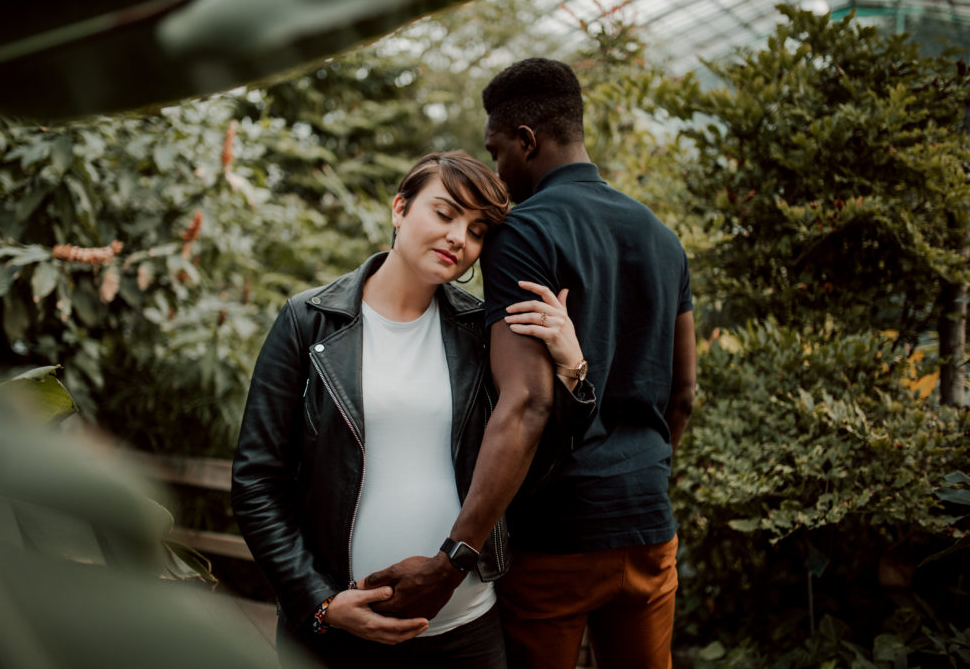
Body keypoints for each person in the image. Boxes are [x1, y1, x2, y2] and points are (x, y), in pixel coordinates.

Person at [366, 58, 697, 669]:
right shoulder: (663, 238)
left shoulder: (524, 233)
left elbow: (526, 403)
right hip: (650, 530)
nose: (498, 172)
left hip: (556, 540)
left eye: (497, 153)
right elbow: (683, 395)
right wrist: (642, 477)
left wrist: (452, 561)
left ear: (526, 140)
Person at [230, 150, 596, 669]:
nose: (458, 238)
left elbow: (529, 465)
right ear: (399, 209)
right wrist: (319, 603)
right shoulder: (307, 321)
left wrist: (571, 370)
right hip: (335, 636)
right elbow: (256, 481)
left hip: (466, 634)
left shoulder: (482, 334)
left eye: (477, 231)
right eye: (445, 213)